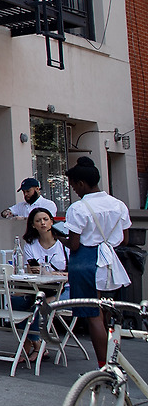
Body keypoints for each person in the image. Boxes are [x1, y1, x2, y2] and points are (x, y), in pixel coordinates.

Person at [63, 157, 131, 367]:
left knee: (93, 315)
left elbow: (74, 244)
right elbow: (125, 239)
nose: (74, 190)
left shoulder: (78, 208)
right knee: (109, 312)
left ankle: (104, 366)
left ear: (81, 183)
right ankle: (114, 361)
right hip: (110, 261)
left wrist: (59, 238)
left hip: (86, 262)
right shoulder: (118, 205)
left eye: (74, 186)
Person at [12, 205, 70, 363]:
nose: (43, 223)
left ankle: (29, 345)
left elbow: (73, 274)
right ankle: (36, 342)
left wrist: (52, 273)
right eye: (38, 220)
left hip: (65, 288)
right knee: (16, 301)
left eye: (45, 219)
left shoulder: (64, 244)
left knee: (38, 305)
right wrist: (36, 271)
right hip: (41, 288)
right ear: (33, 225)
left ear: (52, 221)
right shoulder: (30, 245)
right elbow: (29, 271)